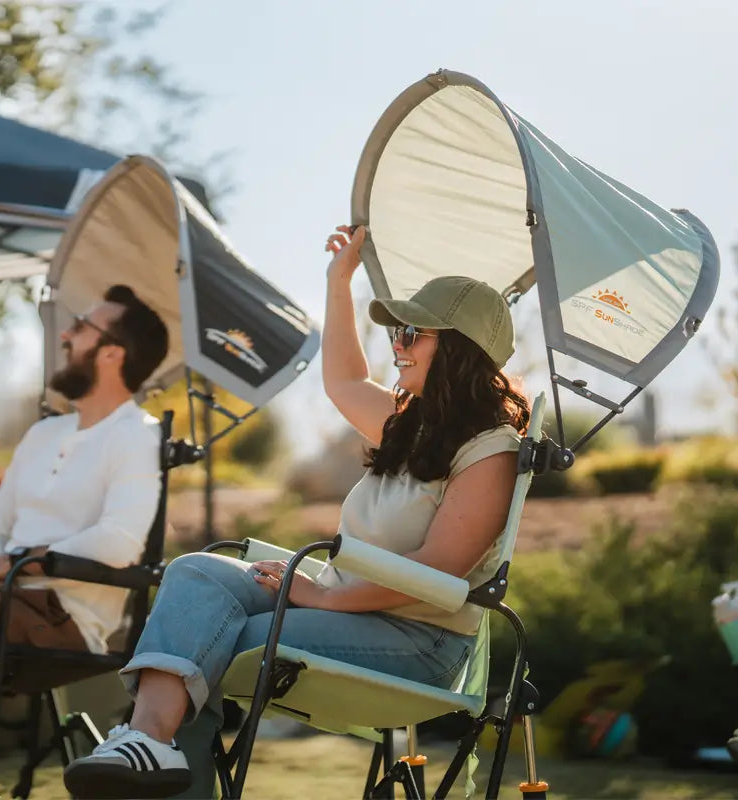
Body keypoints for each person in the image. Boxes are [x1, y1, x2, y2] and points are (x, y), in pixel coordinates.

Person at [63, 225, 530, 799]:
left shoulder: (491, 449)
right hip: (348, 606)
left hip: (420, 640)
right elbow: (344, 379)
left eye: (411, 332)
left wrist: (326, 597)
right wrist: (340, 280)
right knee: (197, 573)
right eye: (397, 333)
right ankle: (149, 743)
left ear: (460, 349)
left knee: (228, 634)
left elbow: (436, 574)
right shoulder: (413, 427)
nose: (397, 344)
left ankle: (149, 747)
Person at [0, 285, 169, 656]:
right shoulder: (44, 433)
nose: (65, 335)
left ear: (110, 353)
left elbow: (119, 543)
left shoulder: (137, 434)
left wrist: (14, 563)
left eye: (80, 326)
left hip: (61, 615)